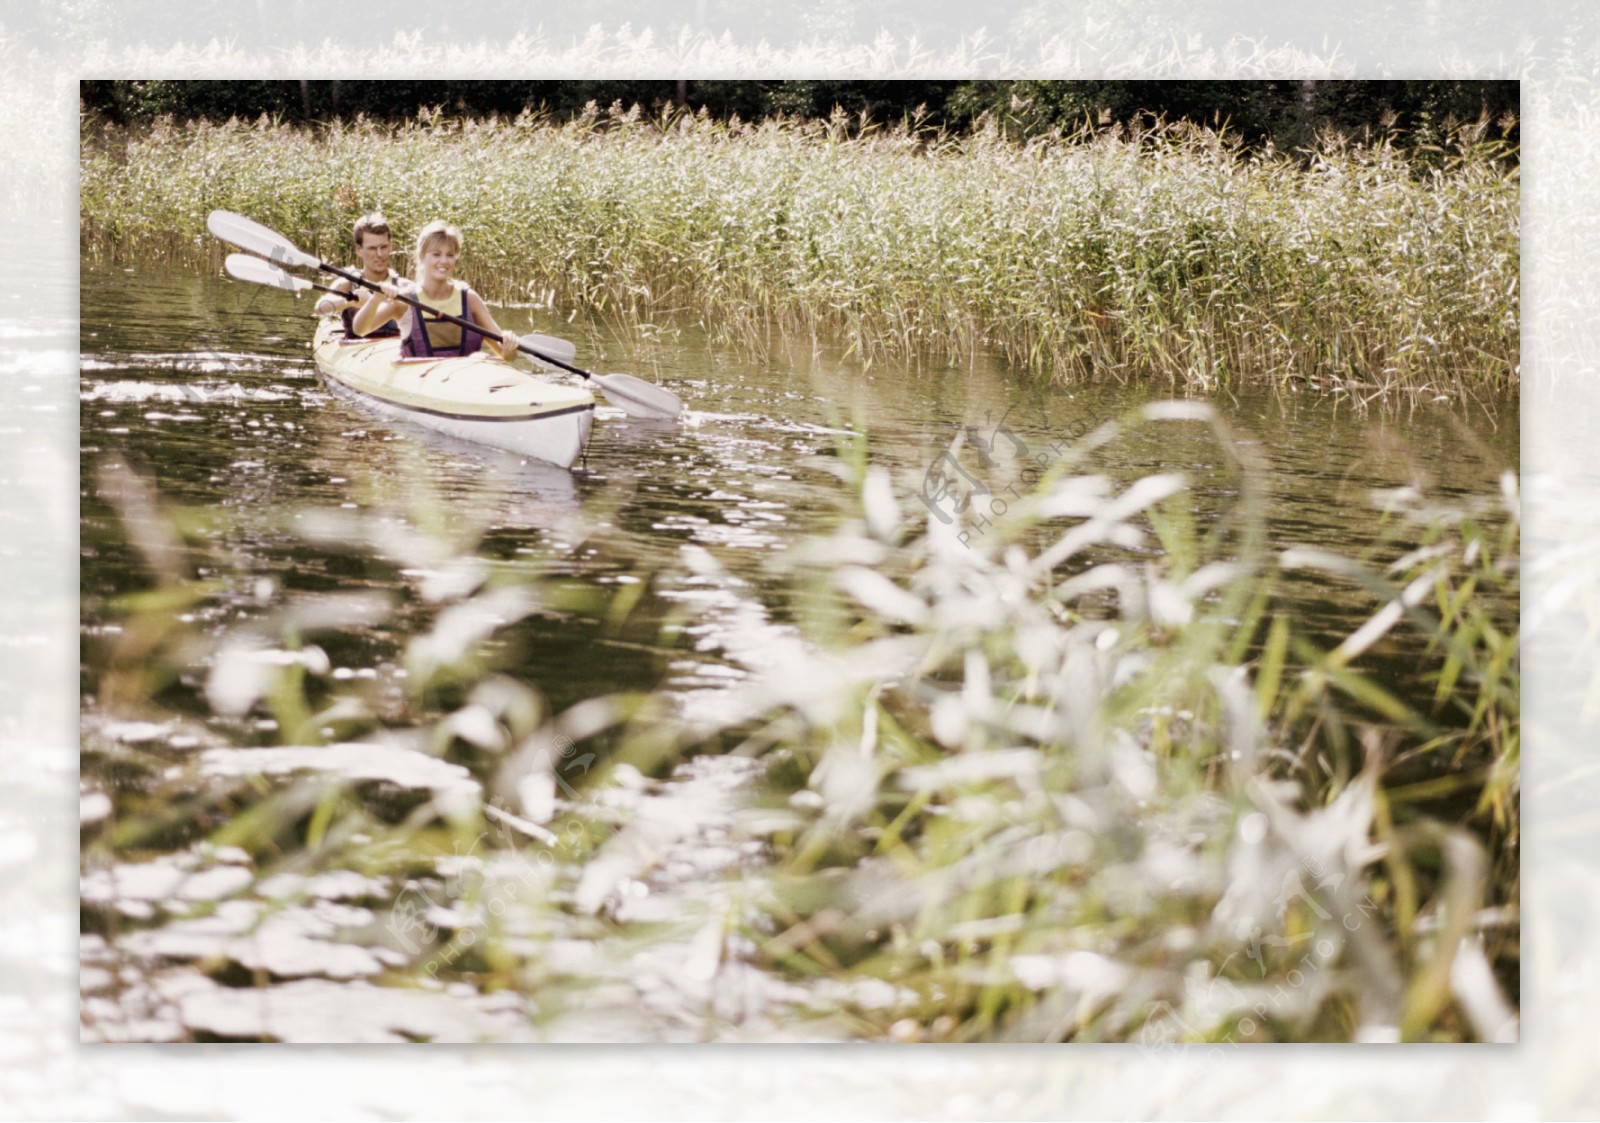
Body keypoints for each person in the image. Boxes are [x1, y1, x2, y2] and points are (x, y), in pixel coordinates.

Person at [352, 220, 520, 361]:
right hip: (421, 388)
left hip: (467, 383)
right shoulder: (405, 299)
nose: (444, 261)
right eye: (436, 254)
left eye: (450, 255)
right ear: (422, 256)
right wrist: (376, 299)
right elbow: (360, 330)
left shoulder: (469, 298)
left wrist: (509, 346)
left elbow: (505, 354)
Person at [313, 213, 401, 339]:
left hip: (391, 350)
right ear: (358, 250)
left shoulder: (401, 285)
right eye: (372, 248)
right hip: (356, 349)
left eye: (384, 247)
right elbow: (320, 308)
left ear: (390, 247)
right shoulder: (348, 283)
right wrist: (349, 301)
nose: (380, 254)